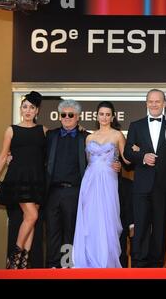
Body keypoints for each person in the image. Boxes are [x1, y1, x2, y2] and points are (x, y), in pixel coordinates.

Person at [45, 99, 121, 268]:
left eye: (70, 114)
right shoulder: (50, 135)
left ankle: (66, 266)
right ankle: (52, 267)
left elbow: (108, 156)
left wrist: (118, 164)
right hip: (52, 191)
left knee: (71, 231)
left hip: (75, 191)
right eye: (63, 114)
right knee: (52, 231)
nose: (66, 117)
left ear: (78, 117)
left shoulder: (85, 137)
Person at [123, 89, 166, 268]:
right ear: (146, 103)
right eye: (150, 101)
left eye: (157, 101)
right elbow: (127, 152)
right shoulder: (136, 125)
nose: (154, 104)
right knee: (140, 227)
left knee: (160, 227)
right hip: (141, 186)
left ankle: (156, 265)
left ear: (164, 103)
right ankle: (138, 264)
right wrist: (143, 157)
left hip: (163, 185)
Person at [72, 101, 130, 268]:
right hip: (90, 181)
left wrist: (135, 152)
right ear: (97, 116)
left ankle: (106, 261)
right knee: (89, 220)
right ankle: (89, 261)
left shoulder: (118, 135)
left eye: (107, 114)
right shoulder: (89, 137)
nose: (104, 117)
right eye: (101, 114)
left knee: (108, 219)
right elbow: (89, 162)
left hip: (108, 180)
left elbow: (126, 159)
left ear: (112, 117)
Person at [0, 91, 46, 269]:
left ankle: (23, 262)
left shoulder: (43, 131)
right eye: (25, 107)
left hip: (37, 179)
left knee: (29, 219)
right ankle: (15, 257)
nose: (28, 110)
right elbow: (2, 157)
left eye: (32, 108)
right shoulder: (12, 130)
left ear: (37, 111)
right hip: (18, 178)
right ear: (20, 109)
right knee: (32, 215)